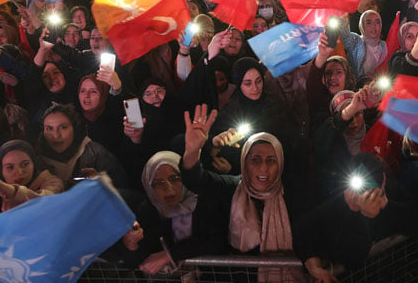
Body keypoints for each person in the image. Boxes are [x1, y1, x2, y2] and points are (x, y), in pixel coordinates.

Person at [181, 105, 304, 282]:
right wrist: (193, 151)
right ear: (244, 163)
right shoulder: (232, 188)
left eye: (271, 160)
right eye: (255, 160)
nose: (264, 168)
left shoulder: (292, 195)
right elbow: (197, 180)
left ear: (281, 163)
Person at [120, 151, 229, 275]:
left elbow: (216, 241)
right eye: (159, 183)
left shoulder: (204, 201)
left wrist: (169, 255)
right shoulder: (148, 210)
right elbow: (134, 262)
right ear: (149, 185)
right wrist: (130, 242)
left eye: (175, 179)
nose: (168, 188)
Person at [36, 103, 129, 188]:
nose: (56, 135)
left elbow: (122, 187)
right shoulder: (36, 160)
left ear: (75, 129)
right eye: (49, 128)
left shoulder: (94, 153)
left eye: (63, 127)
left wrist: (101, 183)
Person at [0, 140, 64, 219]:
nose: (19, 172)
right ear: (1, 171)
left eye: (25, 164)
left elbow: (43, 201)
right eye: (10, 167)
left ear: (34, 164)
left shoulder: (52, 183)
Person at [340, 10, 387, 78]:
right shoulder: (356, 40)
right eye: (369, 23)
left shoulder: (384, 45)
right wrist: (344, 26)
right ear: (362, 25)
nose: (373, 26)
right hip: (357, 84)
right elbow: (346, 39)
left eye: (377, 22)